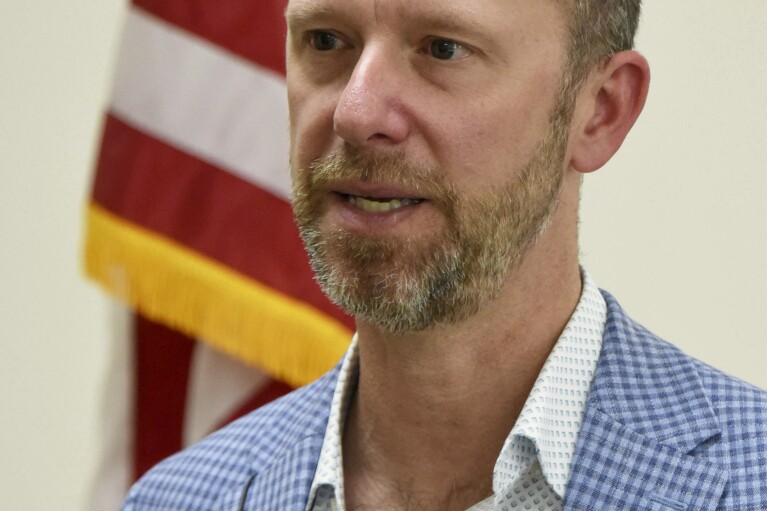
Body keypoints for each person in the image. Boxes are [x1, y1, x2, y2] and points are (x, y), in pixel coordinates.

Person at [122, 0, 767, 509]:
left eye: (443, 48)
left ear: (599, 110)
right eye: (324, 40)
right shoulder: (175, 499)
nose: (356, 111)